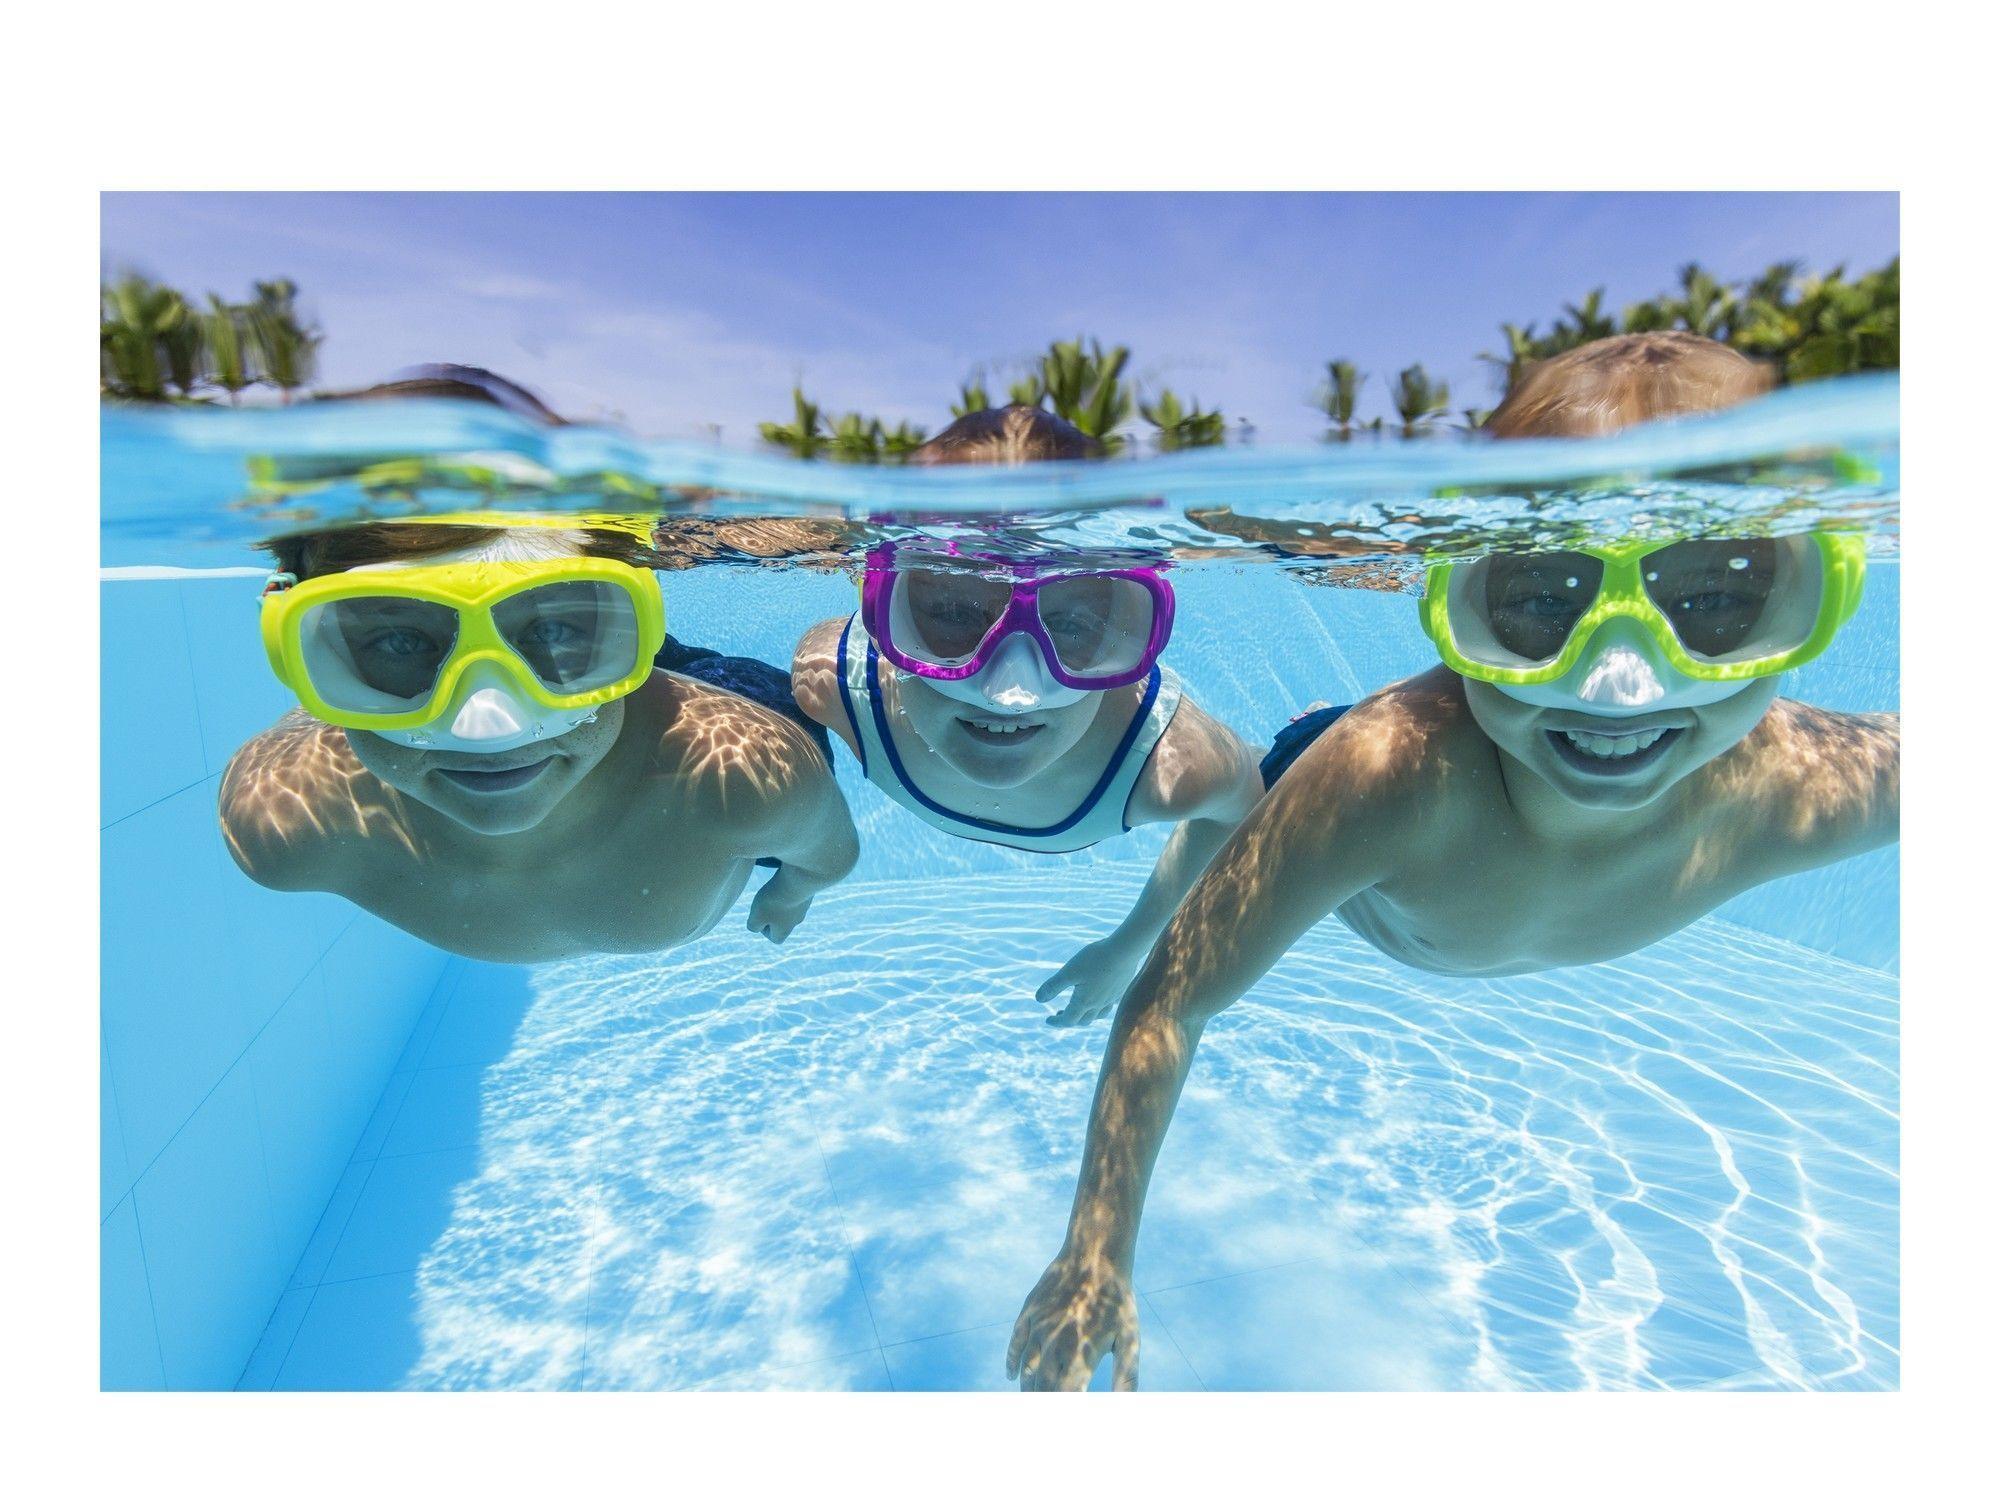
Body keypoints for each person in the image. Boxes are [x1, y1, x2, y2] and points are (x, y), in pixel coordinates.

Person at [1008, 333, 1900, 1388]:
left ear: (1810, 605)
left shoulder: (1806, 785)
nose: (1619, 688)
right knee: (1228, 817)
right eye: (1541, 600)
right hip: (1335, 760)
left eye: (1712, 600)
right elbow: (1171, 1001)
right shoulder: (1381, 778)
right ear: (1454, 606)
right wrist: (1095, 1251)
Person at [791, 413, 1262, 1025]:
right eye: (954, 613)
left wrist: (1131, 948)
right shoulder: (832, 686)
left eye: (1072, 627)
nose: (1010, 694)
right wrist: (803, 872)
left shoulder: (1176, 772)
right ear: (884, 625)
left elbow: (1246, 805)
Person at [220, 513, 857, 963]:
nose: (487, 724)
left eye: (552, 631)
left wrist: (790, 891)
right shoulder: (282, 824)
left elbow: (829, 857)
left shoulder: (740, 774)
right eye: (398, 641)